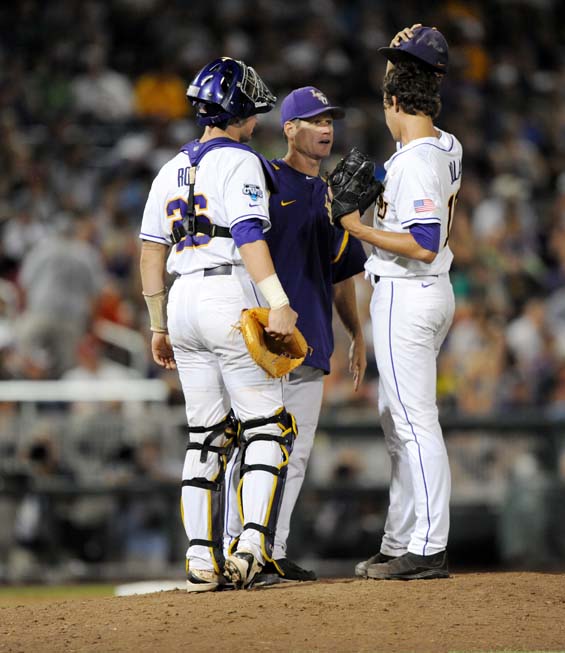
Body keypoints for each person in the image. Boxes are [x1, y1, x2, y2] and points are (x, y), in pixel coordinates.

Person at [139, 57, 299, 592]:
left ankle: (199, 560)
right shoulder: (241, 161)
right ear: (239, 110)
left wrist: (158, 324)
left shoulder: (169, 168)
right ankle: (251, 546)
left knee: (205, 436)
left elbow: (148, 252)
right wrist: (277, 300)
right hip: (226, 288)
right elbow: (250, 234)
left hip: (181, 298)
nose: (256, 116)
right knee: (266, 427)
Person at [224, 86, 368, 584]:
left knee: (297, 453)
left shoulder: (335, 195)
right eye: (314, 120)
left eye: (330, 119)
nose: (326, 128)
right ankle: (232, 550)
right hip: (261, 340)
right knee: (251, 446)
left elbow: (343, 273)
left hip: (312, 342)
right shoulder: (262, 177)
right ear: (289, 128)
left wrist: (356, 334)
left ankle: (271, 550)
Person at [337, 25, 461, 580]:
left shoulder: (415, 161)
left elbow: (424, 240)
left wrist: (358, 228)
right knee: (397, 420)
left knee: (414, 423)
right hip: (424, 294)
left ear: (392, 102)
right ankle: (398, 539)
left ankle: (428, 546)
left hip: (409, 292)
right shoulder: (445, 145)